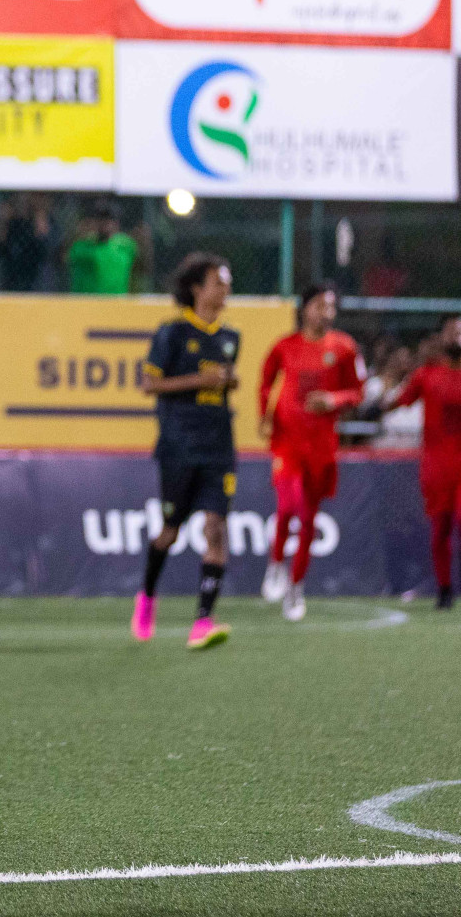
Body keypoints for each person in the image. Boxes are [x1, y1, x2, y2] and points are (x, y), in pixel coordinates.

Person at [132, 253, 240, 650]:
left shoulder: (231, 338)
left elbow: (220, 382)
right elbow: (148, 385)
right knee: (170, 532)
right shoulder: (172, 333)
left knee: (216, 528)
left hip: (219, 446)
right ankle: (146, 597)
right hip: (179, 447)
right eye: (219, 282)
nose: (225, 289)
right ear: (198, 288)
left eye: (228, 283)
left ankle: (203, 621)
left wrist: (226, 383)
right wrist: (201, 379)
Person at [257, 284, 366, 621]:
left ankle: (296, 586)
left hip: (322, 446)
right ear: (305, 309)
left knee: (307, 519)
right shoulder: (285, 346)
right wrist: (265, 415)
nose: (325, 312)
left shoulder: (344, 348)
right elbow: (265, 380)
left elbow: (358, 392)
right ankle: (276, 563)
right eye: (319, 305)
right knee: (288, 504)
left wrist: (334, 400)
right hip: (288, 442)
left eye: (330, 307)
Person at [383, 318, 461, 609]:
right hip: (437, 466)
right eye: (453, 331)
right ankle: (444, 589)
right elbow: (398, 400)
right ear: (442, 337)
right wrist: (371, 406)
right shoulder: (427, 373)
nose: (458, 336)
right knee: (440, 529)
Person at [66, 200, 139, 295]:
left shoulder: (126, 246)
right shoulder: (83, 246)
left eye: (109, 219)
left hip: (118, 304)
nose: (105, 224)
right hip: (88, 304)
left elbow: (140, 267)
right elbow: (65, 258)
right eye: (101, 219)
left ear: (116, 223)